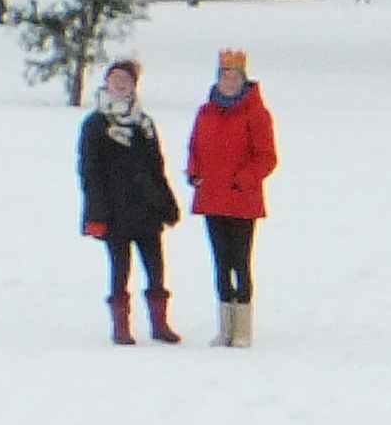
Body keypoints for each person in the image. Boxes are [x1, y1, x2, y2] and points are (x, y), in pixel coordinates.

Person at [78, 54, 182, 344]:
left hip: (147, 209)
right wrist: (95, 215)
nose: (119, 85)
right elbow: (89, 173)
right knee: (120, 268)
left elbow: (157, 167)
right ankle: (121, 327)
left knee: (156, 268)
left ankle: (160, 324)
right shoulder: (96, 125)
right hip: (114, 211)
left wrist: (168, 204)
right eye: (114, 80)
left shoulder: (144, 124)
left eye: (125, 81)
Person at [178, 47, 271, 345]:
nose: (228, 81)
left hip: (241, 200)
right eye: (224, 75)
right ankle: (225, 325)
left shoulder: (256, 113)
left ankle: (242, 326)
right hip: (212, 198)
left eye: (234, 76)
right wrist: (195, 173)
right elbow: (195, 147)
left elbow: (266, 156)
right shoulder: (206, 112)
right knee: (220, 261)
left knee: (240, 261)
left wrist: (241, 181)